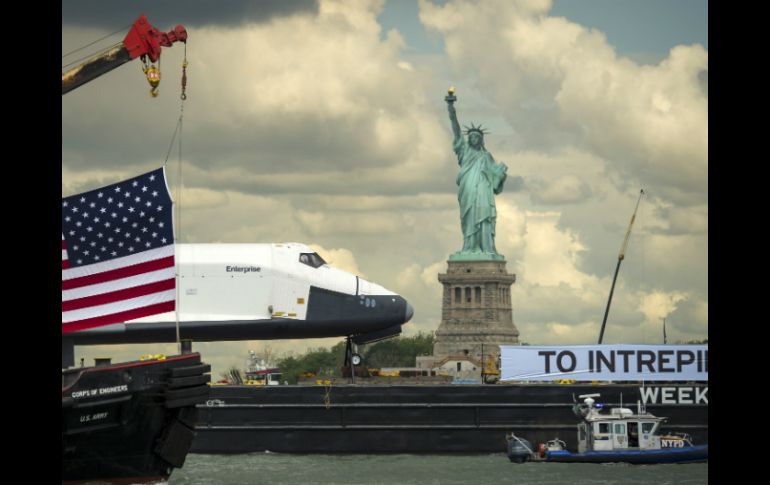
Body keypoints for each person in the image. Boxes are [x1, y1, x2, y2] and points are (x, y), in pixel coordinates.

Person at [446, 89, 508, 256]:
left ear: (481, 140)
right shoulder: (464, 151)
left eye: (477, 137)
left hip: (483, 191)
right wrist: (451, 107)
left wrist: (501, 173)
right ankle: (469, 247)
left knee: (484, 217)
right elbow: (456, 129)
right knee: (469, 217)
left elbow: (495, 177)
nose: (474, 139)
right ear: (468, 139)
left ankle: (486, 247)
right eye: (472, 137)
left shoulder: (486, 156)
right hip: (468, 189)